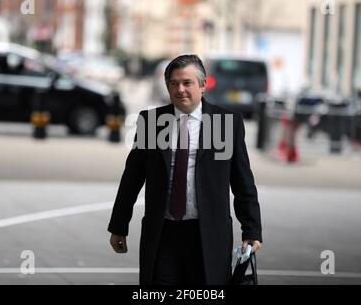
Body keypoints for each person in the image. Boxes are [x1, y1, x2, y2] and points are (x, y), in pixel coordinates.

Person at [108, 54, 262, 285]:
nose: (180, 89)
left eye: (187, 82)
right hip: (163, 235)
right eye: (174, 83)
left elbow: (242, 182)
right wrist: (119, 225)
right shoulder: (151, 122)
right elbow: (132, 178)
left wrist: (251, 229)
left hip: (209, 236)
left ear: (203, 85)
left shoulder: (227, 124)